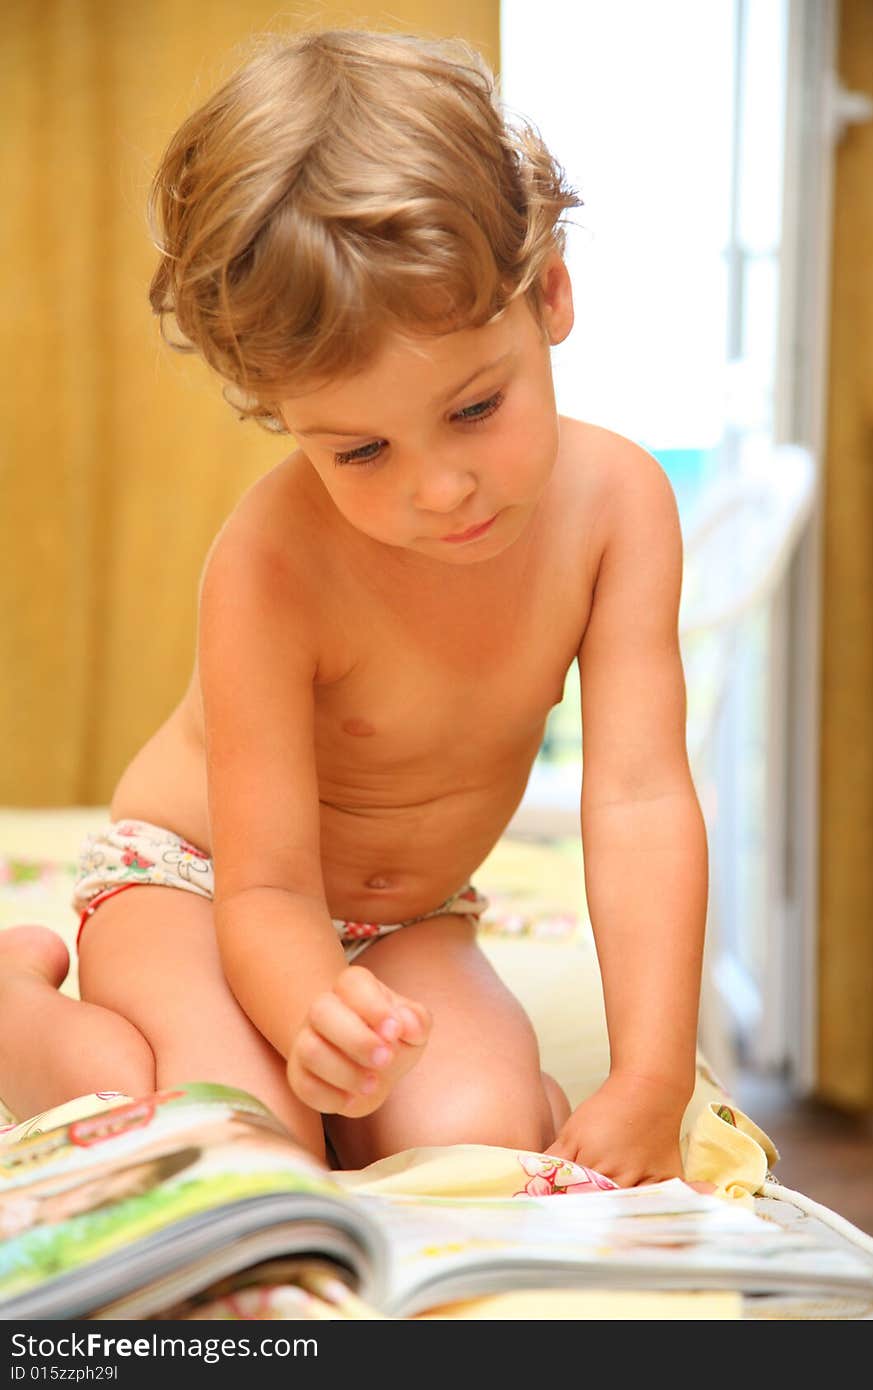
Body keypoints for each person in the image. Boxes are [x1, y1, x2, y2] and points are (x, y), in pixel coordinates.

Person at [0, 29, 708, 1185]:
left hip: (409, 915)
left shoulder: (620, 508)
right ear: (287, 417)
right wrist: (310, 1010)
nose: (439, 489)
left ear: (551, 295)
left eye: (475, 409)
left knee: (479, 1139)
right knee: (228, 1144)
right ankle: (25, 1020)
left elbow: (636, 797)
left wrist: (650, 1077)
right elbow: (270, 884)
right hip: (203, 884)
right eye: (362, 449)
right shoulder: (271, 562)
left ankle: (427, 1091)